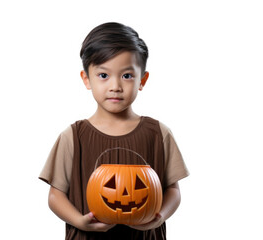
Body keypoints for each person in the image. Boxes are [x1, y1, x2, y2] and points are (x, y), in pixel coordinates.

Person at [39, 22, 189, 240]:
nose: (115, 86)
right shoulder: (73, 137)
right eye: (103, 75)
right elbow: (55, 195)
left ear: (142, 80)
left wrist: (160, 216)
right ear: (86, 79)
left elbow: (173, 191)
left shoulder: (159, 134)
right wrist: (80, 221)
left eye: (127, 76)